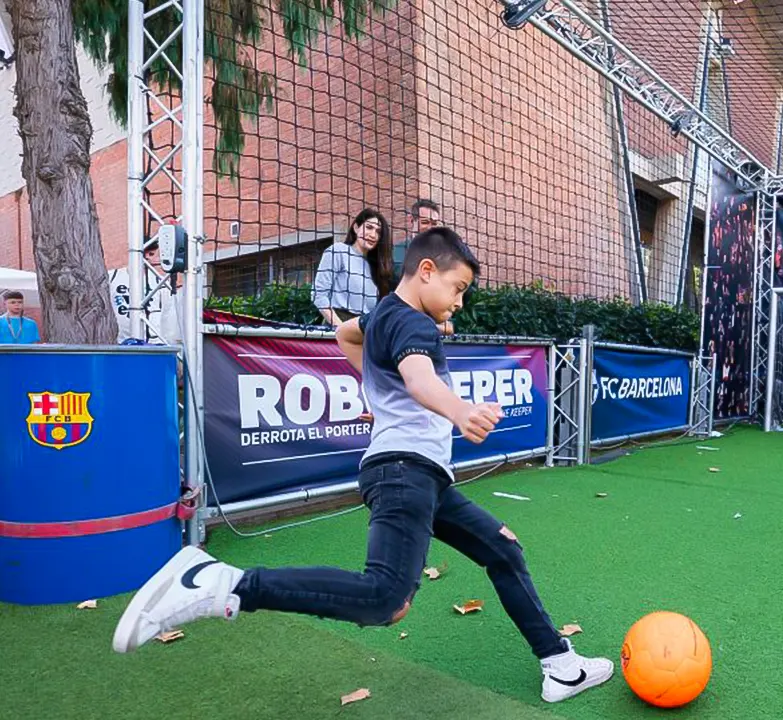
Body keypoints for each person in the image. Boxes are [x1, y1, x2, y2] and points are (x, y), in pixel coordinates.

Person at [112, 227, 614, 704]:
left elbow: (346, 339)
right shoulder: (413, 322)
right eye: (457, 287)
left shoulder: (381, 316)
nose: (459, 302)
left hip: (422, 476)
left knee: (503, 550)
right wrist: (460, 411)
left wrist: (378, 388)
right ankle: (225, 584)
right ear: (424, 270)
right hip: (405, 472)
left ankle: (559, 664)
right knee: (384, 599)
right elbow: (419, 379)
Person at [313, 209, 395, 326]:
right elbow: (319, 295)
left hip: (364, 329)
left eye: (378, 232)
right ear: (356, 228)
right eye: (369, 227)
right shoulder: (339, 251)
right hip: (338, 325)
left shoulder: (376, 268)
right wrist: (340, 328)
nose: (373, 235)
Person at [106, 235, 183, 345]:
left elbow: (168, 316)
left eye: (151, 254)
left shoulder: (160, 282)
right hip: (120, 343)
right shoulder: (113, 276)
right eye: (144, 252)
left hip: (153, 343)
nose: (147, 257)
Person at [393, 198, 442, 276]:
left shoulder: (444, 254)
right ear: (411, 220)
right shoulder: (396, 252)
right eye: (425, 222)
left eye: (434, 223)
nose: (430, 228)